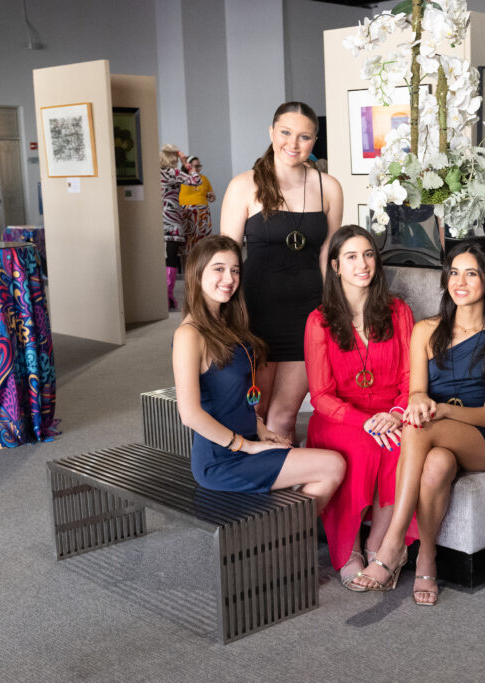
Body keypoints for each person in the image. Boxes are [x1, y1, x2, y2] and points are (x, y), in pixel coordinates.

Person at [351, 242, 485, 605]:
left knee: (417, 426)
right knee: (437, 464)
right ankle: (427, 559)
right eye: (453, 273)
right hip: (436, 430)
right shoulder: (427, 330)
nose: (460, 281)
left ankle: (393, 544)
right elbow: (416, 393)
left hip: (484, 437)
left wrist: (438, 410)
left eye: (471, 273)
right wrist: (420, 402)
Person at [172, 235, 345, 505]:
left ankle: (286, 534)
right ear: (196, 273)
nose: (228, 279)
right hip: (221, 459)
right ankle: (289, 537)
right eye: (218, 269)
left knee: (322, 462)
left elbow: (234, 399)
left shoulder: (229, 324)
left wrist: (261, 429)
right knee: (331, 465)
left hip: (248, 440)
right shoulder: (189, 334)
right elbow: (190, 415)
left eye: (234, 270)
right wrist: (247, 445)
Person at [304, 225, 418, 590]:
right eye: (351, 257)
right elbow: (320, 396)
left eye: (368, 254)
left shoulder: (399, 311)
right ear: (335, 266)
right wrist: (365, 422)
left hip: (389, 413)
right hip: (340, 418)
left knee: (401, 444)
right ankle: (347, 550)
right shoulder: (319, 320)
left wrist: (396, 414)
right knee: (364, 446)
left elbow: (410, 379)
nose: (363, 264)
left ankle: (381, 544)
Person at [221, 102, 343, 443]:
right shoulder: (244, 186)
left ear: (314, 140)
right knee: (253, 415)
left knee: (284, 416)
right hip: (254, 315)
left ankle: (286, 495)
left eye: (304, 136)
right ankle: (256, 489)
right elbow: (227, 259)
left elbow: (328, 258)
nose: (293, 143)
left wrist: (335, 310)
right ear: (272, 133)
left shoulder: (329, 187)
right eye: (286, 133)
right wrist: (220, 317)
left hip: (308, 316)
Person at [161, 144, 201, 309]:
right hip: (172, 222)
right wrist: (186, 164)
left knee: (163, 259)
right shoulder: (172, 172)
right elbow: (196, 180)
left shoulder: (157, 173)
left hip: (159, 220)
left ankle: (164, 295)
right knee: (171, 258)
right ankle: (168, 297)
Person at [179, 155, 216, 256]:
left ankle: (201, 263)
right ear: (188, 166)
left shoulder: (204, 179)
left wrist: (211, 196)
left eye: (200, 166)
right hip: (188, 213)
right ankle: (188, 265)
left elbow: (212, 197)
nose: (199, 168)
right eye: (196, 166)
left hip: (203, 213)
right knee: (189, 239)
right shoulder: (181, 178)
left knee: (203, 240)